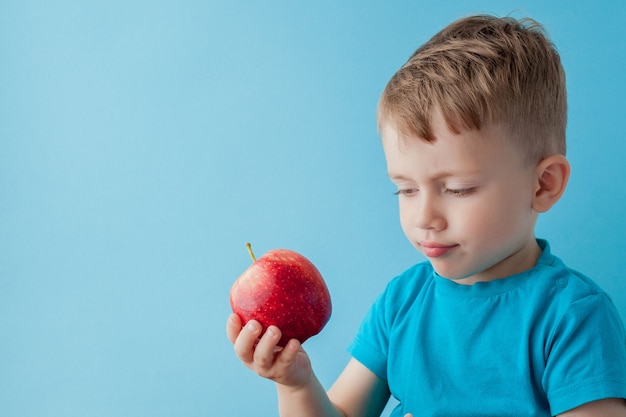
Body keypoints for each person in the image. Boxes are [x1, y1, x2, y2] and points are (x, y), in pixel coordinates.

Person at [226, 14, 626, 416]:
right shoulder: (402, 302)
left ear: (543, 185)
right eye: (406, 189)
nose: (424, 216)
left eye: (457, 189)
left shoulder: (574, 318)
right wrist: (294, 383)